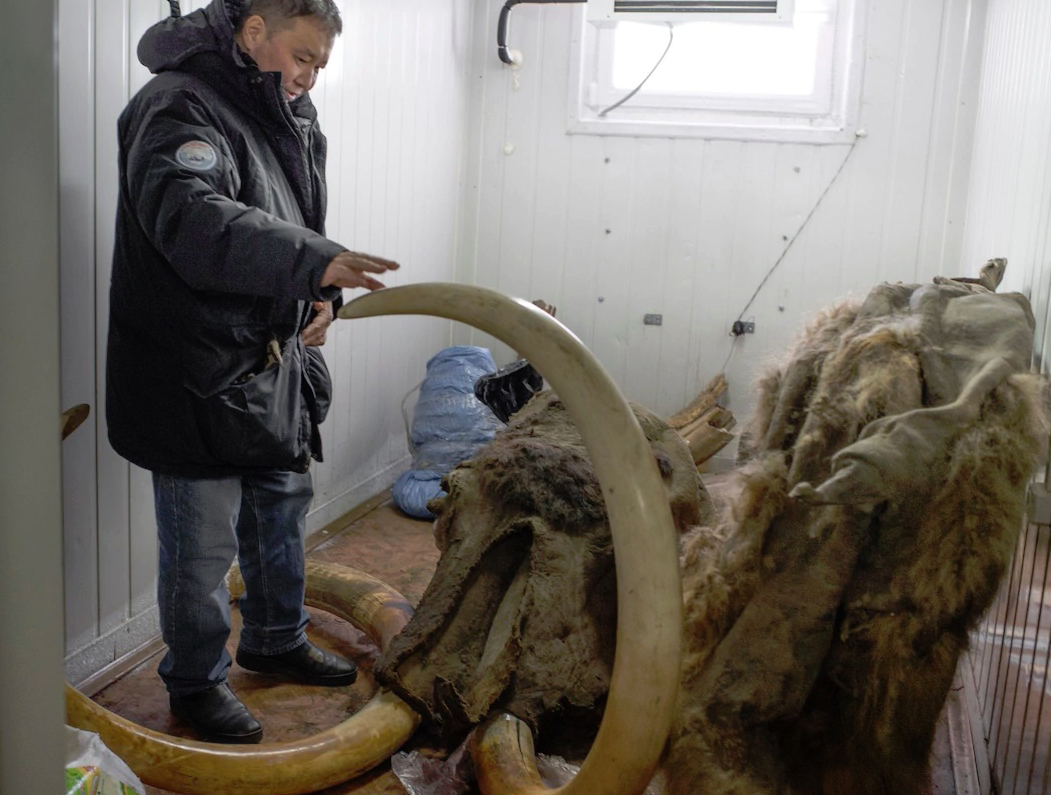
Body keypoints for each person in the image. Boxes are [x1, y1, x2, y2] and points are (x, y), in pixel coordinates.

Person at [105, 0, 399, 744]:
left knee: (280, 512)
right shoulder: (176, 105)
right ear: (253, 29)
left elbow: (287, 224)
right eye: (301, 56)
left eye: (320, 66)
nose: (307, 77)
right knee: (200, 549)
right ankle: (196, 683)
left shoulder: (285, 115)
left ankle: (276, 636)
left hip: (271, 363)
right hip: (193, 373)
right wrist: (310, 262)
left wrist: (320, 295)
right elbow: (194, 221)